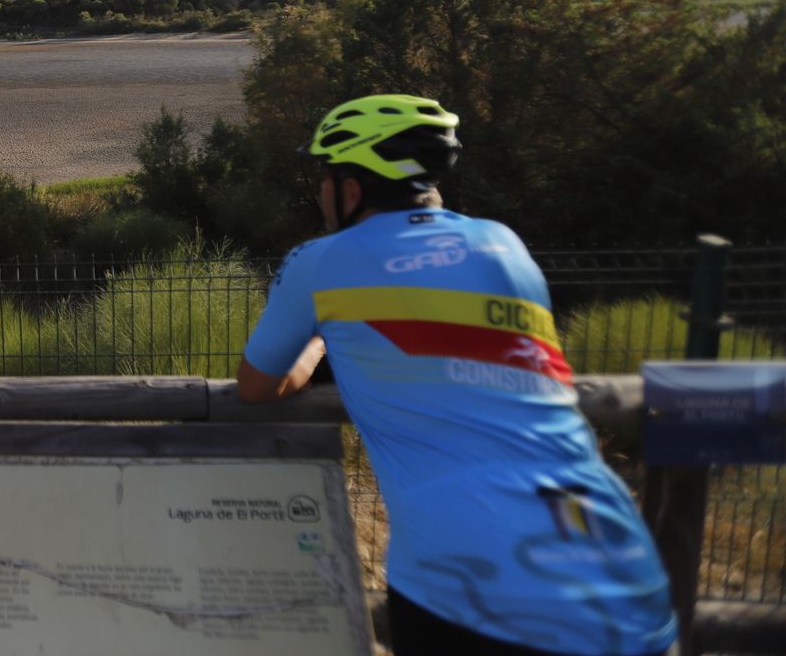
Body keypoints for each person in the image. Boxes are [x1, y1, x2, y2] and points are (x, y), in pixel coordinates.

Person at [237, 94, 676, 656]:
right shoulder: (504, 244)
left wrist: (323, 340)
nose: (321, 191)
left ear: (351, 188)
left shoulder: (320, 262)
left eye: (325, 175)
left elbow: (257, 384)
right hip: (614, 552)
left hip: (469, 569)